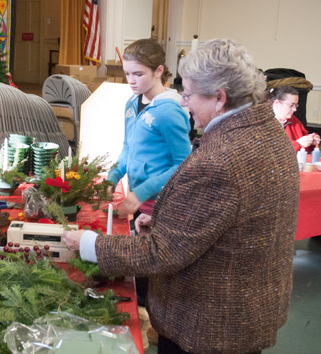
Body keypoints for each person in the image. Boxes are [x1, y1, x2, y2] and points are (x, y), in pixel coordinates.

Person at [63, 39, 300, 354]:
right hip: (246, 310)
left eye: (188, 95)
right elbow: (226, 224)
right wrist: (165, 222)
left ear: (219, 98)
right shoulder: (269, 133)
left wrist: (88, 244)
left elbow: (163, 253)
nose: (185, 104)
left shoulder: (221, 158)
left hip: (208, 324)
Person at [107, 38, 191, 222]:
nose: (131, 81)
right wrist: (112, 177)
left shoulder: (169, 110)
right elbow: (127, 147)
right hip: (137, 199)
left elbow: (183, 164)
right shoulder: (131, 103)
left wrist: (142, 192)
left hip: (160, 203)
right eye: (127, 74)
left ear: (158, 71)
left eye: (138, 74)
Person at [270, 86, 319, 152]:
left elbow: (305, 149)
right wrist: (298, 144)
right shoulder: (264, 123)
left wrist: (311, 141)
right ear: (277, 103)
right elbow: (271, 152)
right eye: (292, 105)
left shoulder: (294, 120)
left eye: (296, 105)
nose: (295, 109)